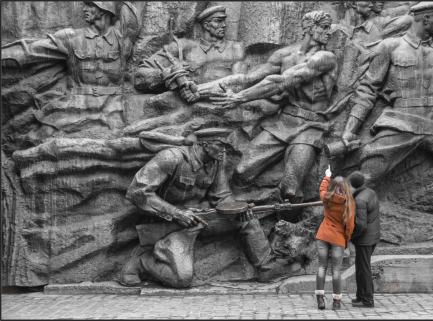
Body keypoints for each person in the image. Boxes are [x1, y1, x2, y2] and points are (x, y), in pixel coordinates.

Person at [120, 127, 288, 288]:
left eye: (225, 147)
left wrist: (239, 208)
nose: (224, 151)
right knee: (181, 279)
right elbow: (137, 192)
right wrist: (177, 213)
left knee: (247, 219)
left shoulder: (216, 162)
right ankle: (141, 261)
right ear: (205, 144)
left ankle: (267, 268)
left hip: (200, 220)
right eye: (220, 146)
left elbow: (221, 196)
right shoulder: (171, 157)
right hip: (171, 225)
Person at [341, 1, 433, 187]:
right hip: (401, 121)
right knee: (365, 176)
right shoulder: (389, 46)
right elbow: (367, 90)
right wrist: (349, 130)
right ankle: (336, 209)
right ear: (424, 17)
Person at [209, 10, 338, 203]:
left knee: (290, 187)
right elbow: (247, 78)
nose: (329, 32)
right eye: (325, 27)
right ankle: (247, 210)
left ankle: (287, 228)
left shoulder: (325, 58)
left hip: (311, 127)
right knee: (241, 171)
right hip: (284, 121)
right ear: (310, 28)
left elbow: (281, 82)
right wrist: (199, 89)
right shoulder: (284, 55)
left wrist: (239, 98)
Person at [1, 1, 139, 140]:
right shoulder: (71, 37)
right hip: (75, 103)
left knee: (119, 139)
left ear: (104, 9)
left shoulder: (122, 39)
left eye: (90, 5)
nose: (84, 9)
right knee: (39, 136)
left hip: (112, 106)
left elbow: (131, 17)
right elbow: (30, 50)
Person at [134, 5, 247, 102]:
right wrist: (169, 74)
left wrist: (199, 92)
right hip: (183, 108)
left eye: (224, 21)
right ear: (206, 25)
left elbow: (242, 84)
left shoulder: (236, 48)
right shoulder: (182, 47)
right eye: (218, 21)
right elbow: (140, 76)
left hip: (223, 106)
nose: (224, 25)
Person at [314, 165, 356, 310]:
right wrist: (346, 239)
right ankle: (337, 301)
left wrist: (327, 175)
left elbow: (322, 189)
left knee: (321, 267)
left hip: (323, 235)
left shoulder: (326, 197)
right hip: (338, 238)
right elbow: (350, 226)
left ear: (333, 186)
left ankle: (320, 299)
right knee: (336, 270)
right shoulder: (349, 203)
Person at [348, 171, 380, 308]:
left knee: (364, 269)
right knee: (361, 268)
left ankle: (367, 300)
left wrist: (350, 236)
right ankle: (360, 296)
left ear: (353, 184)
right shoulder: (370, 192)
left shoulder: (360, 200)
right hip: (373, 237)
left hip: (364, 239)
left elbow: (361, 225)